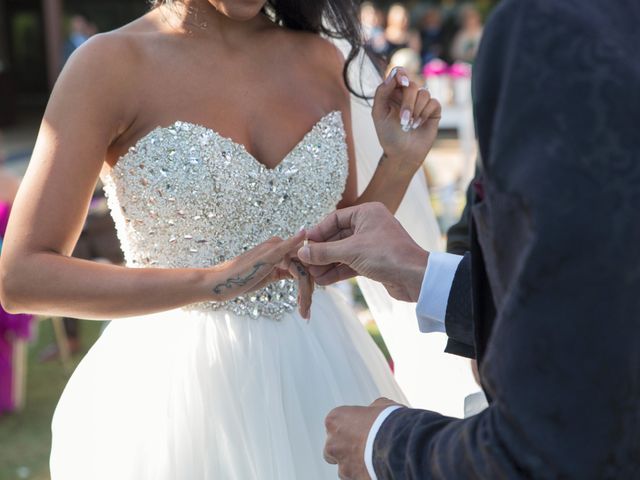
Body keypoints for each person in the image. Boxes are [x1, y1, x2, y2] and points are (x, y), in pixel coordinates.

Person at [0, 1, 443, 478]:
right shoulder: (108, 65)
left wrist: (397, 162)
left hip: (320, 371)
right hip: (176, 394)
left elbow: (335, 248)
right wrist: (210, 281)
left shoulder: (319, 59)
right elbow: (21, 275)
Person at [299, 0, 640, 477]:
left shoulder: (558, 29)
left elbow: (554, 435)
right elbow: (601, 301)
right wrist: (421, 271)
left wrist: (385, 444)